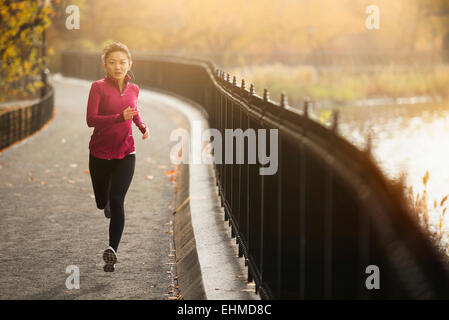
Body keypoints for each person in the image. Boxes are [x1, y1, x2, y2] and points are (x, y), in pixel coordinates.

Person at [86, 42, 149, 272]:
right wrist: (118, 117)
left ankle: (112, 250)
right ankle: (106, 203)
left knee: (118, 201)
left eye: (122, 62)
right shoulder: (98, 88)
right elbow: (91, 120)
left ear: (129, 64)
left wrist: (141, 126)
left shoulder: (134, 89)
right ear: (105, 65)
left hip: (126, 152)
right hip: (100, 154)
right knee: (102, 201)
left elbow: (134, 110)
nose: (118, 66)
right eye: (112, 62)